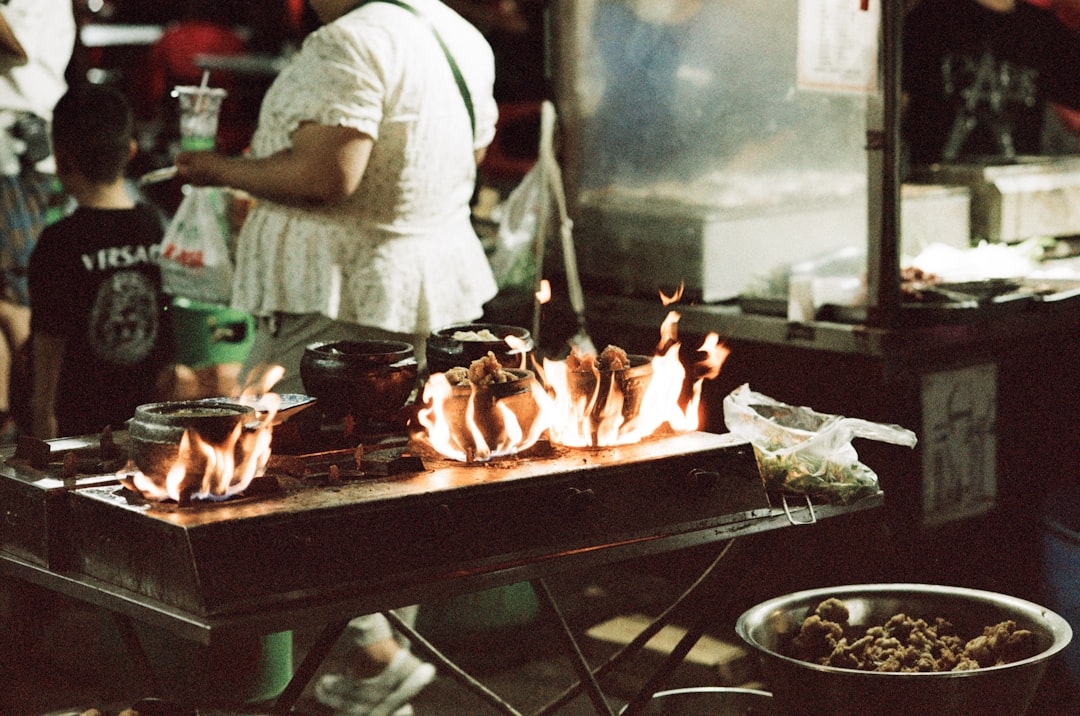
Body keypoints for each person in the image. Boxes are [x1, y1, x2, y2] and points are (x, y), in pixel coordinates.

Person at [175, 1, 499, 713]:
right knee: (392, 487)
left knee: (278, 482)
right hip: (422, 289)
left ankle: (373, 654)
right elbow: (462, 157)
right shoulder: (455, 32)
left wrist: (215, 169)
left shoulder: (349, 42)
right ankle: (377, 677)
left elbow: (329, 174)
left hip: (336, 301)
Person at [27, 84, 174, 440]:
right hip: (149, 418)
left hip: (80, 423)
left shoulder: (59, 241)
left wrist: (42, 412)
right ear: (131, 152)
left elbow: (49, 341)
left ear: (61, 160)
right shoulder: (156, 226)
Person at [0, 0, 76, 441]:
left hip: (17, 153)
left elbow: (18, 47)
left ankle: (37, 416)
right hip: (16, 152)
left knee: (16, 294)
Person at [902, 0, 1080, 168]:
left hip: (1014, 184)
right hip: (931, 183)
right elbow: (897, 107)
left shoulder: (1041, 30)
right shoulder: (929, 18)